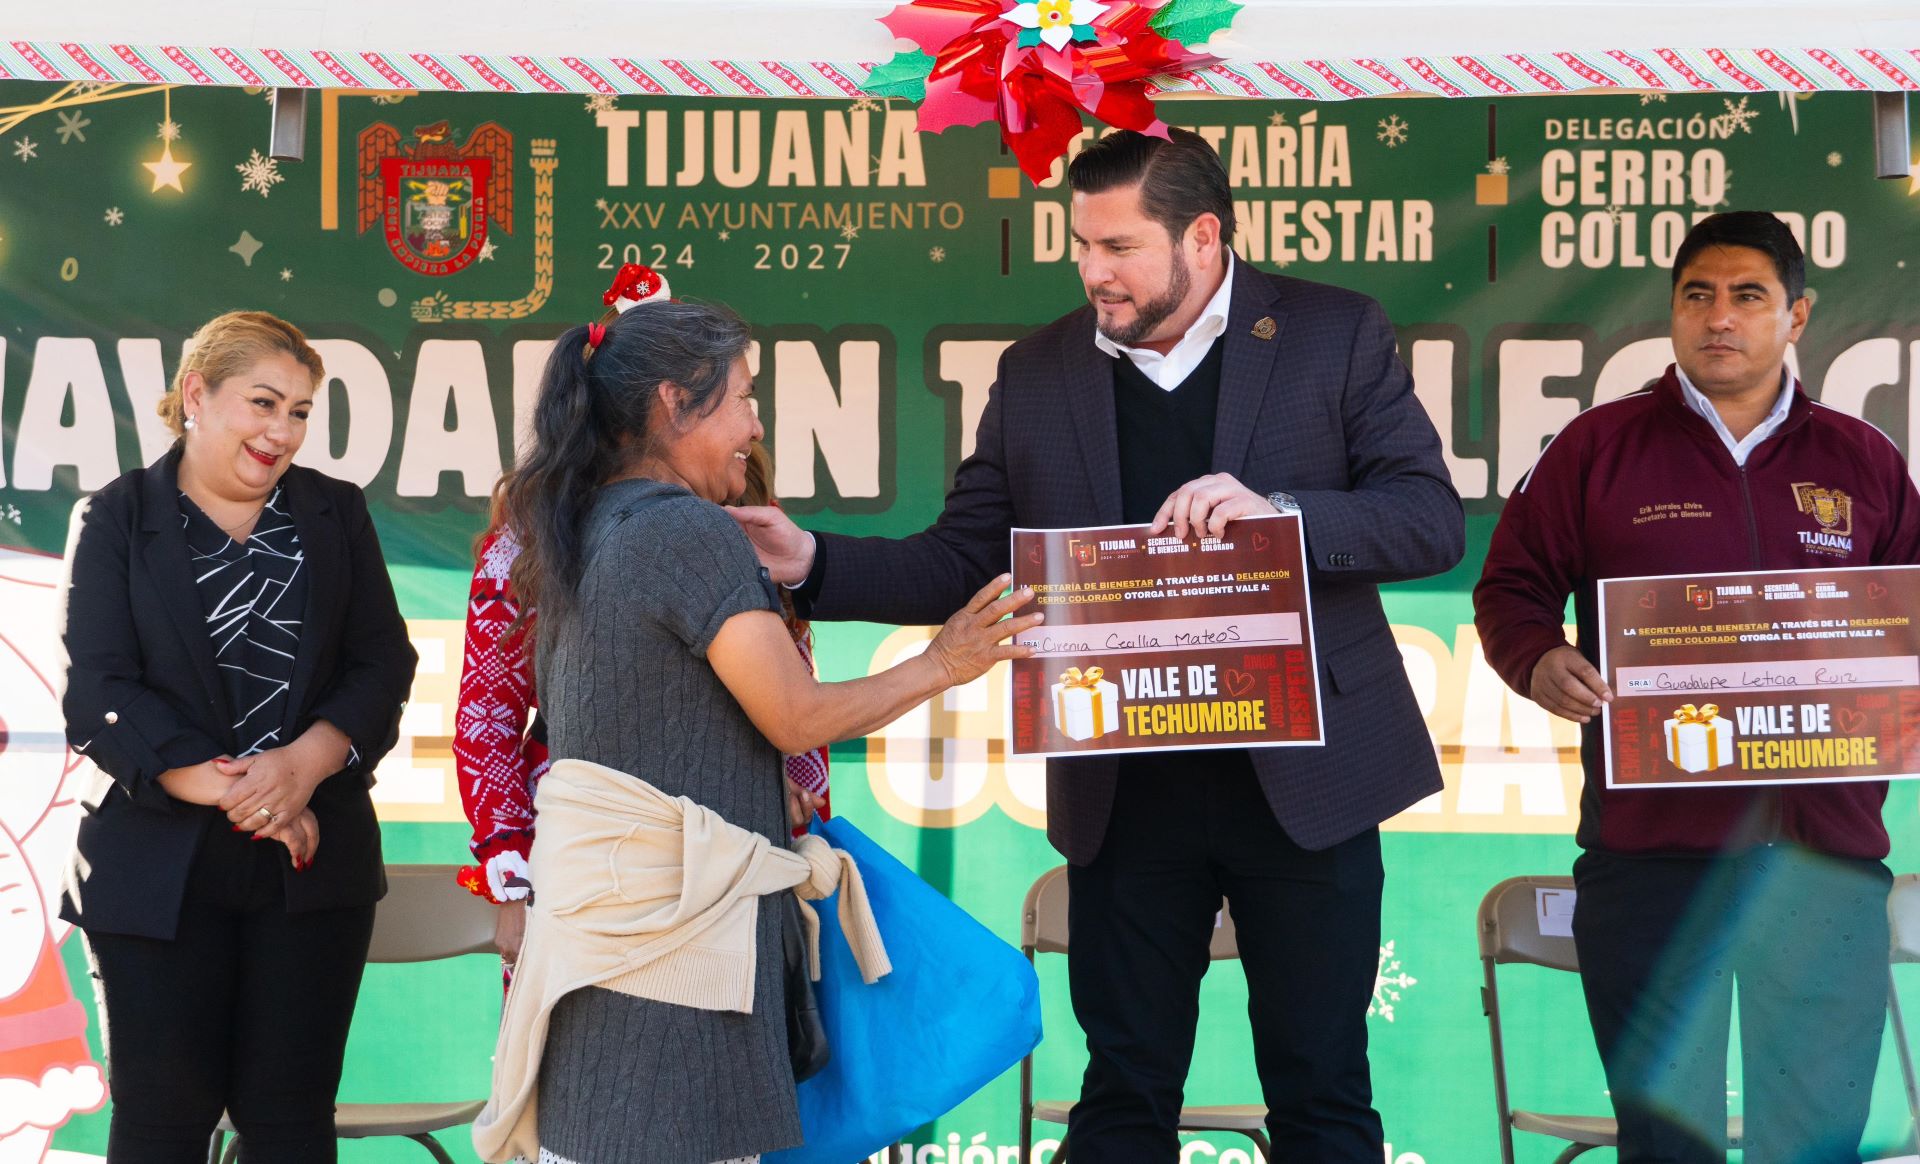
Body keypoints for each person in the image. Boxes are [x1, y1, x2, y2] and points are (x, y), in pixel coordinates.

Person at [731, 128, 1463, 1161]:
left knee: (1323, 1091)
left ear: (1203, 238)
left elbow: (1428, 520)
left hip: (1307, 783)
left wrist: (1279, 515)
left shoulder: (1331, 334)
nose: (1091, 271)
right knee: (1122, 1094)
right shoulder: (1039, 372)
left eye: (1117, 247)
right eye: (1080, 244)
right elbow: (965, 559)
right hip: (1125, 783)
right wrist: (812, 560)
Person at [471, 281, 1037, 1164]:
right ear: (675, 402)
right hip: (683, 966)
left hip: (609, 960)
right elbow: (795, 716)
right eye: (742, 397)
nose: (755, 425)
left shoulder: (571, 527)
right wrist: (946, 661)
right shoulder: (687, 531)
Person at [1474, 211, 1920, 1162]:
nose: (1720, 317)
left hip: (1824, 869)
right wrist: (1539, 658)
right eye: (1698, 296)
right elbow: (1510, 589)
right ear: (1673, 311)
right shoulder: (1596, 448)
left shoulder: (1864, 460)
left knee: (1813, 1143)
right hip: (1651, 864)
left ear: (1796, 316)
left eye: (1748, 296)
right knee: (1666, 1145)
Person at [55, 310, 418, 1163]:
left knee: (290, 1124)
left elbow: (382, 665)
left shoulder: (335, 512)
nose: (282, 430)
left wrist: (304, 766)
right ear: (196, 396)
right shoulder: (115, 516)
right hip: (152, 873)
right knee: (161, 1124)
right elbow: (100, 691)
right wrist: (254, 797)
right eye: (264, 402)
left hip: (310, 874)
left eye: (298, 412)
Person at [453, 442, 830, 980]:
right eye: (738, 395)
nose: (752, 419)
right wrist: (511, 872)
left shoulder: (743, 512)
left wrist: (791, 796)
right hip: (582, 872)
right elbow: (487, 720)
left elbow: (794, 707)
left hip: (735, 869)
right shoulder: (531, 538)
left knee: (732, 1057)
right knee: (583, 1059)